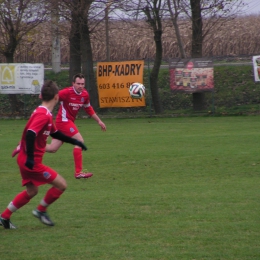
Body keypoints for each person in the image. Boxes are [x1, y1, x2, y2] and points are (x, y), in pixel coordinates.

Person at [0, 80, 87, 229]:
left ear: (41, 95)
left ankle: (4, 216)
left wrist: (76, 142)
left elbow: (55, 133)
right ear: (56, 97)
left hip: (25, 159)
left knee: (32, 191)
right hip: (31, 162)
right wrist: (31, 159)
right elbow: (30, 133)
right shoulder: (43, 115)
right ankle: (41, 210)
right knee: (61, 185)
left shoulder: (44, 113)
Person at [12, 73, 106, 179]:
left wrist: (99, 121)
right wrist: (43, 96)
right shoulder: (67, 92)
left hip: (68, 122)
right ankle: (78, 172)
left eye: (82, 84)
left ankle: (24, 145)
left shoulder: (85, 94)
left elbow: (88, 108)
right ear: (73, 83)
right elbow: (53, 96)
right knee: (79, 140)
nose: (81, 86)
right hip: (63, 121)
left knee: (52, 148)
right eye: (78, 83)